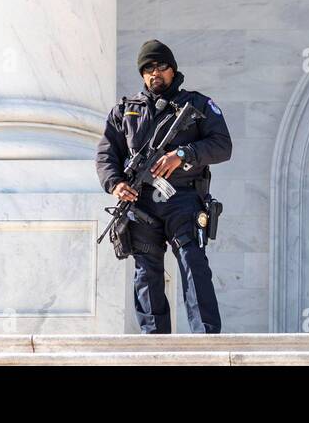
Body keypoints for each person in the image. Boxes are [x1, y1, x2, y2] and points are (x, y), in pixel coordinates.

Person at [95, 39, 232, 334]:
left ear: (173, 69)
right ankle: (154, 346)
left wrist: (183, 155)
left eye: (160, 66)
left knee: (193, 263)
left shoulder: (196, 105)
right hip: (141, 202)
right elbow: (107, 153)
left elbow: (222, 146)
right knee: (146, 274)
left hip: (183, 199)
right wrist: (116, 184)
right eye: (147, 68)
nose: (154, 73)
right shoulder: (125, 111)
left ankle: (206, 339)